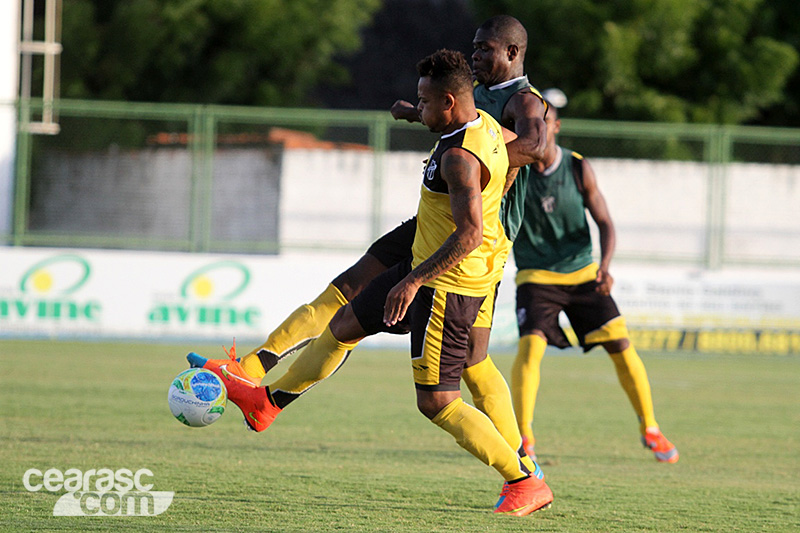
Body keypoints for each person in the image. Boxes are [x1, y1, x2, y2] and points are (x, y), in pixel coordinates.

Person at [190, 49, 553, 516]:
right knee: (343, 324)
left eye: (424, 102)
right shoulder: (480, 121)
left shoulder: (460, 160)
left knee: (438, 401)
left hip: (446, 284)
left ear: (447, 102)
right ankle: (266, 402)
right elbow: (502, 150)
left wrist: (412, 282)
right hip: (427, 255)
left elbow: (470, 234)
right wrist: (416, 115)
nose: (417, 108)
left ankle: (523, 479)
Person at [510, 90, 679, 463]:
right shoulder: (514, 172)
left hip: (584, 273)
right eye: (530, 125)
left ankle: (650, 427)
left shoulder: (577, 167)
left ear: (554, 127)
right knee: (531, 347)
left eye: (544, 124)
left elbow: (605, 221)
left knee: (621, 345)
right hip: (536, 277)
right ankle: (524, 437)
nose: (536, 131)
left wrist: (605, 265)